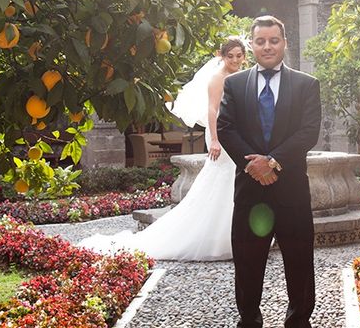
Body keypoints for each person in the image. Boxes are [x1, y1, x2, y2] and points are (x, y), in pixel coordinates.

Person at [78, 37, 246, 261]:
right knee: (222, 178)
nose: (234, 60)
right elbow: (212, 110)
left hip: (241, 131)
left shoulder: (244, 76)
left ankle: (237, 234)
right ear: (221, 56)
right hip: (222, 133)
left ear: (244, 56)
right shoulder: (217, 78)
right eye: (230, 56)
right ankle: (219, 238)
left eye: (239, 55)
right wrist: (214, 140)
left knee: (237, 181)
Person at [217, 15, 322, 328]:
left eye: (273, 40)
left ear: (284, 43)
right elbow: (226, 128)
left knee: (299, 260)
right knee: (248, 261)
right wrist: (254, 166)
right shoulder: (234, 84)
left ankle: (299, 321)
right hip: (251, 192)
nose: (267, 46)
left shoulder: (306, 85)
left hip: (291, 192)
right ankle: (249, 320)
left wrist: (273, 160)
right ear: (251, 44)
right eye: (260, 41)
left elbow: (309, 132)